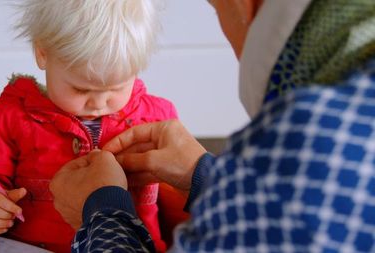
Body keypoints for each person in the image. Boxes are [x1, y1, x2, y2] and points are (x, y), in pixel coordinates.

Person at [50, 0, 375, 252]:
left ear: (246, 6)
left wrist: (102, 213)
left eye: (215, 7)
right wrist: (207, 175)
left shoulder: (304, 143)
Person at [0, 1, 175, 252]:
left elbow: (177, 201)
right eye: (80, 89)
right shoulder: (8, 117)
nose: (98, 102)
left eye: (117, 88)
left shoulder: (158, 119)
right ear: (43, 53)